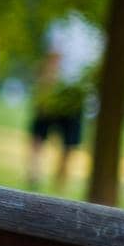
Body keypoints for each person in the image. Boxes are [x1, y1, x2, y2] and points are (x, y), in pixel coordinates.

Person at [25, 10, 102, 193]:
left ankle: (35, 178)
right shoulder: (97, 35)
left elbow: (53, 60)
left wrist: (44, 93)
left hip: (57, 89)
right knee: (69, 146)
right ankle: (58, 187)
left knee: (38, 138)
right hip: (78, 93)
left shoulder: (61, 25)